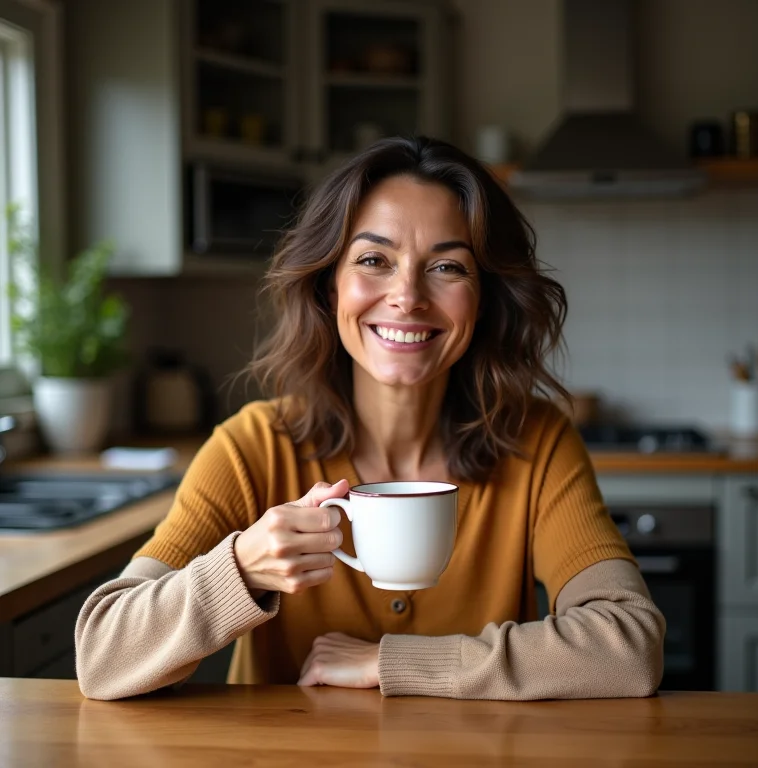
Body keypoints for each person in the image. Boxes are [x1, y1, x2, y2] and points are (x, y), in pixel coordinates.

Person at [75, 136, 665, 701]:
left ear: (485, 299)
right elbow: (103, 656)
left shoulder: (536, 443)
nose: (407, 296)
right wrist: (240, 570)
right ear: (331, 287)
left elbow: (630, 645)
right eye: (374, 259)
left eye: (448, 267)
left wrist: (391, 662)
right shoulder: (251, 448)